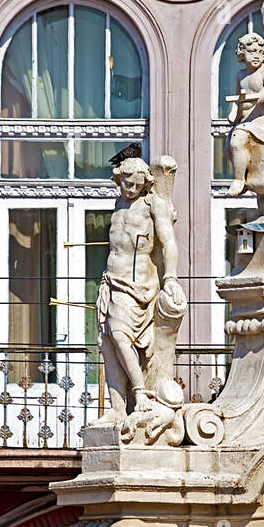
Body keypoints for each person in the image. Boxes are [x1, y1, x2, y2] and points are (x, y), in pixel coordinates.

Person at [94, 153, 185, 425]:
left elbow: (168, 243)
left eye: (135, 185)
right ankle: (117, 407)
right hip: (111, 281)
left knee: (120, 336)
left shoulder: (152, 205)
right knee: (108, 343)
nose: (129, 190)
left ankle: (140, 394)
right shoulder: (118, 203)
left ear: (145, 183)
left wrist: (170, 278)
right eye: (125, 184)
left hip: (137, 286)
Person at [224, 33, 264, 197]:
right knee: (230, 145)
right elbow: (238, 100)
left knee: (237, 140)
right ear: (242, 54)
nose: (256, 56)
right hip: (245, 121)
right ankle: (241, 175)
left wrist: (261, 96)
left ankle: (239, 179)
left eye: (259, 51)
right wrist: (234, 112)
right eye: (251, 52)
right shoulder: (241, 76)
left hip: (262, 121)